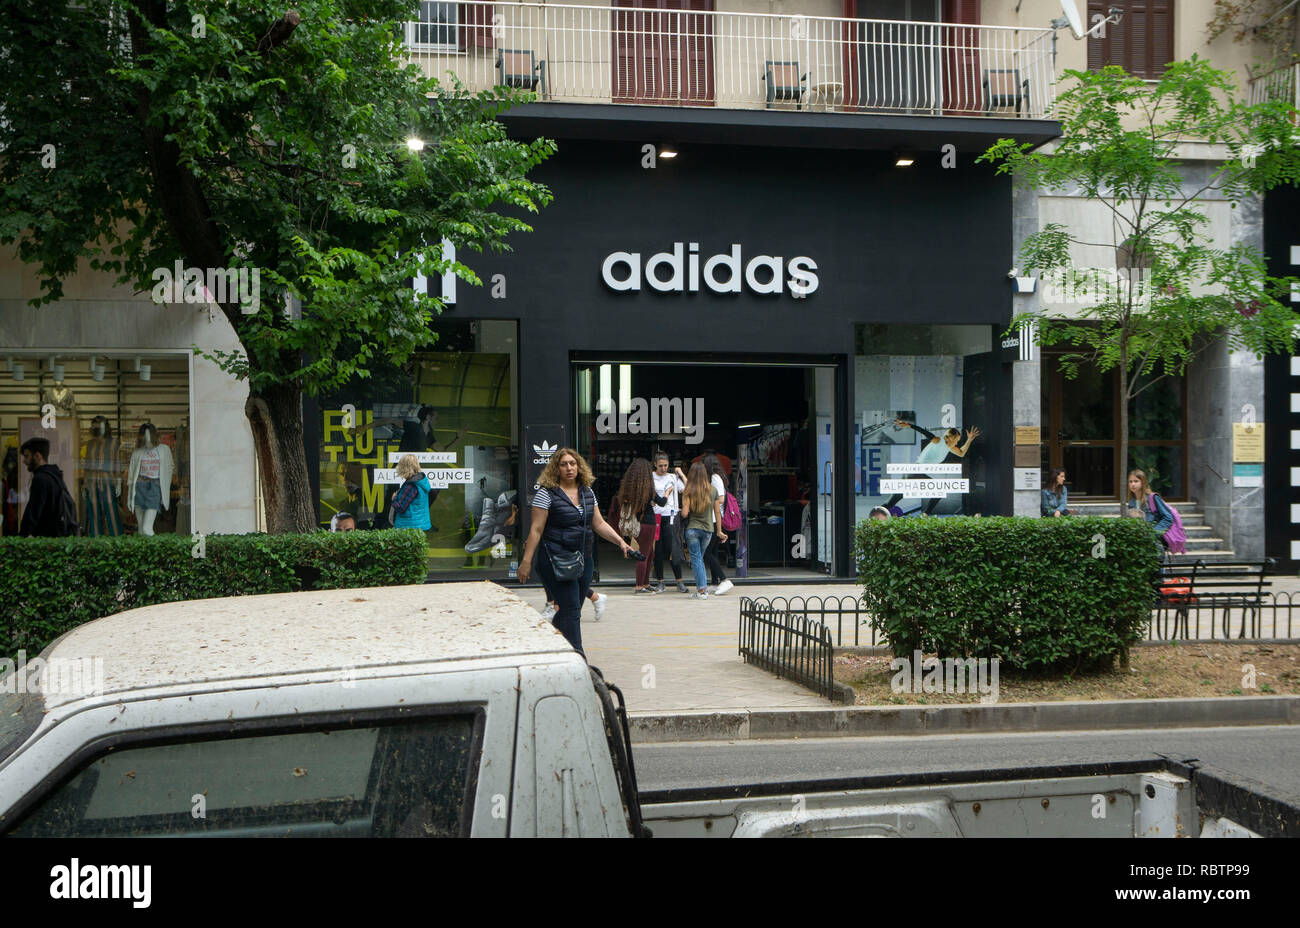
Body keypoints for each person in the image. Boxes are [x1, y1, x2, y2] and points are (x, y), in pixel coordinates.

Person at [518, 448, 633, 655]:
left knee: (571, 612)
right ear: (556, 468)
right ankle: (579, 657)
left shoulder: (587, 492)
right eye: (564, 464)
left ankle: (551, 647)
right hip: (556, 559)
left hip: (583, 559)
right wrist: (526, 562)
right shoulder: (546, 493)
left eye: (573, 463)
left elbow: (599, 524)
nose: (569, 468)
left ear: (579, 466)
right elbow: (536, 529)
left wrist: (621, 542)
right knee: (571, 610)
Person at [884, 419, 980, 516]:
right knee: (939, 491)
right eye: (956, 441)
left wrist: (969, 440)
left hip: (911, 473)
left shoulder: (949, 447)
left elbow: (961, 453)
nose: (956, 444)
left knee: (893, 501)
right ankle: (925, 514)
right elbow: (924, 432)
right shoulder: (938, 440)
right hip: (916, 472)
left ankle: (876, 515)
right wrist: (908, 425)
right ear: (951, 437)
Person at [613, 458, 666, 594]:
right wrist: (668, 493)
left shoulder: (628, 488)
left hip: (636, 524)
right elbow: (661, 502)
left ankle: (646, 583)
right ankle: (639, 586)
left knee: (649, 553)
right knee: (644, 554)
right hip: (648, 523)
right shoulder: (648, 487)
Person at [680, 461, 726, 600]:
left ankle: (701, 591)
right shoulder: (713, 490)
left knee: (697, 559)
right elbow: (717, 513)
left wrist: (682, 505)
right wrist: (719, 531)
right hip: (708, 530)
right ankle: (702, 589)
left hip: (693, 529)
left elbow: (685, 514)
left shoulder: (688, 490)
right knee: (699, 559)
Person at [19, 437, 73, 537]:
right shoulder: (55, 476)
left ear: (38, 456)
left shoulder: (41, 479)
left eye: (26, 456)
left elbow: (33, 512)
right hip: (58, 537)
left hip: (46, 539)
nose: (24, 461)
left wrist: (21, 537)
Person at [651, 453, 687, 593]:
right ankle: (660, 581)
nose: (663, 468)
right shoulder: (650, 477)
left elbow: (687, 489)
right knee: (658, 551)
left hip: (671, 516)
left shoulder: (672, 477)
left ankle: (679, 581)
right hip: (656, 516)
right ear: (655, 464)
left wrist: (681, 474)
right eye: (660, 466)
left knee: (674, 549)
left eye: (666, 465)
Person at [700, 453, 734, 595]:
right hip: (712, 518)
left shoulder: (715, 478)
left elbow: (720, 499)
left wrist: (703, 501)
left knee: (706, 552)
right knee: (712, 551)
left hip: (714, 519)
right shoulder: (713, 478)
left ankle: (725, 580)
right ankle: (715, 582)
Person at [1126, 469, 1175, 554]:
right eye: (1130, 482)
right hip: (1139, 545)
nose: (1132, 484)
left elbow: (1168, 517)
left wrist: (1154, 533)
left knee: (1157, 565)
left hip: (1154, 544)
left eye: (1136, 481)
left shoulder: (1152, 498)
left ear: (1143, 482)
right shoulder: (1131, 502)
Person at [391, 454, 432, 531]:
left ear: (404, 467)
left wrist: (394, 498)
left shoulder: (411, 485)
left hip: (408, 527)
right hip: (419, 524)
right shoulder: (421, 481)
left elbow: (400, 508)